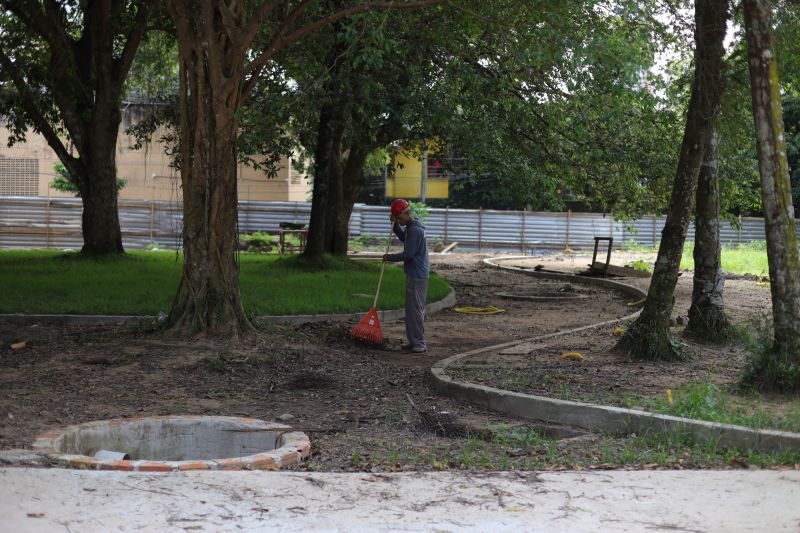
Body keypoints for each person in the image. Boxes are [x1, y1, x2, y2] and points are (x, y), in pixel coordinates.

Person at [382, 199, 430, 353]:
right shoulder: (411, 227)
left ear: (407, 214)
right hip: (415, 273)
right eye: (396, 219)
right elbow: (404, 239)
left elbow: (409, 254)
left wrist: (389, 258)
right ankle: (413, 341)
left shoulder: (415, 230)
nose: (399, 221)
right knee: (411, 309)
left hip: (417, 275)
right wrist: (395, 225)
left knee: (415, 309)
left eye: (399, 218)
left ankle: (419, 343)